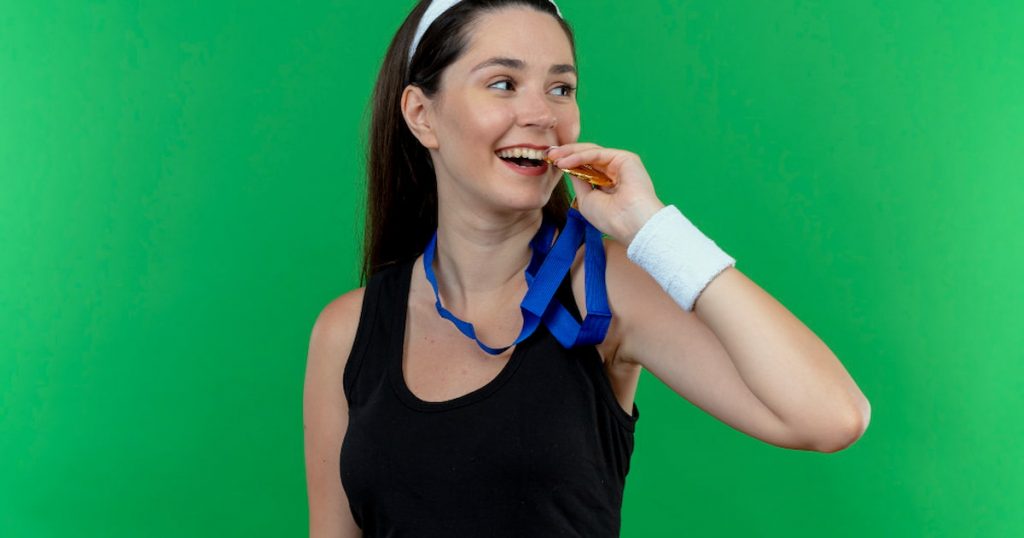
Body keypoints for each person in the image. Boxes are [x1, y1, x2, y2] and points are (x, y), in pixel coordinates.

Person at [303, 0, 872, 536]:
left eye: (561, 88)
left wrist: (655, 230)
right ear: (421, 115)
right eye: (503, 83)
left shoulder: (606, 288)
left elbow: (831, 417)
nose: (541, 114)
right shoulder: (347, 331)